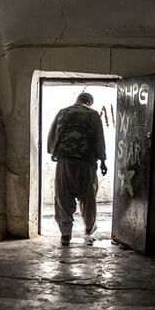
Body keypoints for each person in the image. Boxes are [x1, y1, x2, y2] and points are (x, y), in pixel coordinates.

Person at [46, 92, 107, 245]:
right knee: (88, 198)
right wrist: (103, 160)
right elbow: (99, 139)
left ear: (77, 100)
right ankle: (89, 228)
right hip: (86, 161)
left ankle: (66, 234)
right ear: (90, 102)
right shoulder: (93, 115)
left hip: (65, 160)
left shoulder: (63, 112)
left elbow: (52, 135)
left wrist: (54, 152)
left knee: (63, 197)